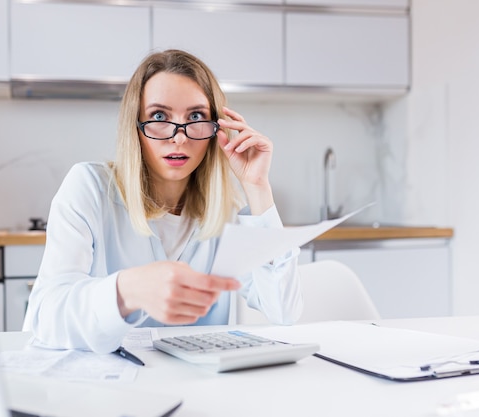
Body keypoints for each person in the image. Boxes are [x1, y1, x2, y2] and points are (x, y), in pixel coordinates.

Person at [24, 49, 303, 353]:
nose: (179, 138)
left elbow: (284, 311)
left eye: (195, 117)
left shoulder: (227, 213)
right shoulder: (89, 187)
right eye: (159, 117)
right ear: (136, 126)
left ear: (216, 129)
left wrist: (257, 186)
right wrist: (128, 290)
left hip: (199, 389)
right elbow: (45, 317)